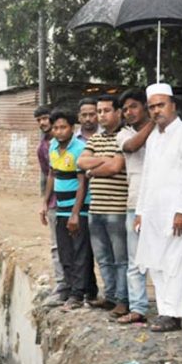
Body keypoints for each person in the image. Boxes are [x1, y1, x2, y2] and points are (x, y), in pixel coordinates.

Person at [135, 83, 182, 332]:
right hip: (153, 212)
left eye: (161, 105)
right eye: (152, 107)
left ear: (173, 105)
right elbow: (147, 176)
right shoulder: (153, 138)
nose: (156, 111)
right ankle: (165, 310)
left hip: (177, 214)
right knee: (158, 263)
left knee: (176, 264)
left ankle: (177, 313)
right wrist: (140, 211)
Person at [78, 94, 129, 316]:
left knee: (121, 259)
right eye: (99, 111)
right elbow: (81, 161)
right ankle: (109, 296)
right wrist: (103, 162)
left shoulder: (125, 136)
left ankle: (123, 299)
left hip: (117, 208)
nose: (101, 115)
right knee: (103, 258)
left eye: (106, 111)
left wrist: (92, 169)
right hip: (95, 208)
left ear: (118, 112)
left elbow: (115, 168)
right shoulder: (95, 139)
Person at [42, 109, 90, 308]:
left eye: (63, 127)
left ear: (72, 128)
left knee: (80, 252)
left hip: (78, 209)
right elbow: (52, 175)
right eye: (56, 128)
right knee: (65, 252)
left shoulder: (80, 148)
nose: (59, 131)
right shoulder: (53, 146)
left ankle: (78, 295)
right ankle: (70, 289)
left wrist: (75, 214)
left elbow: (83, 183)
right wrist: (45, 202)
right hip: (60, 207)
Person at [116, 89, 152, 323]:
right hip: (135, 202)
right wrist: (153, 124)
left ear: (144, 106)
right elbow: (131, 147)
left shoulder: (163, 132)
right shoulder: (123, 134)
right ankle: (138, 307)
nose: (129, 112)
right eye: (125, 109)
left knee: (165, 258)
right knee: (135, 258)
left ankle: (172, 309)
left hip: (161, 204)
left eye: (134, 107)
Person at [36, 105, 69, 300]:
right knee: (57, 245)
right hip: (55, 203)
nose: (43, 123)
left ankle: (79, 287)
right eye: (39, 120)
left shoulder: (76, 145)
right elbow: (48, 175)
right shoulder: (43, 148)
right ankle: (61, 284)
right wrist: (45, 202)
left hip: (75, 201)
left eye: (45, 118)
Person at [75, 98, 100, 303]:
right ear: (79, 117)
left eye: (93, 114)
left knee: (105, 249)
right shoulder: (73, 141)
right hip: (80, 202)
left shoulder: (108, 137)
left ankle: (115, 295)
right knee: (83, 248)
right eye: (84, 115)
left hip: (105, 200)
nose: (89, 118)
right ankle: (88, 290)